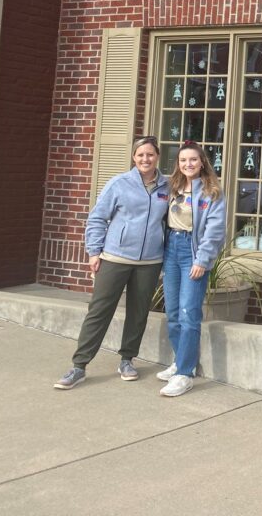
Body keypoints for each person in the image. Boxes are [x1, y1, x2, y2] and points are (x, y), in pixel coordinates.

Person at [54, 135, 170, 389]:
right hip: (115, 257)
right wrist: (94, 252)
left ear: (157, 156)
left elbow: (171, 223)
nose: (145, 159)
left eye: (150, 154)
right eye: (140, 155)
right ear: (134, 157)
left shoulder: (167, 187)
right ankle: (79, 366)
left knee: (138, 314)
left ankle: (127, 360)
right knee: (99, 311)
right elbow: (97, 218)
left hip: (149, 262)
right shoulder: (119, 183)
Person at [157, 140, 226, 397]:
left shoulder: (211, 192)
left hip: (192, 253)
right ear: (178, 163)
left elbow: (215, 230)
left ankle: (184, 374)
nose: (188, 164)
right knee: (173, 312)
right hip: (171, 250)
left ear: (202, 162)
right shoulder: (170, 186)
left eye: (193, 160)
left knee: (189, 313)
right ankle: (180, 361)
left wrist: (202, 260)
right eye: (183, 160)